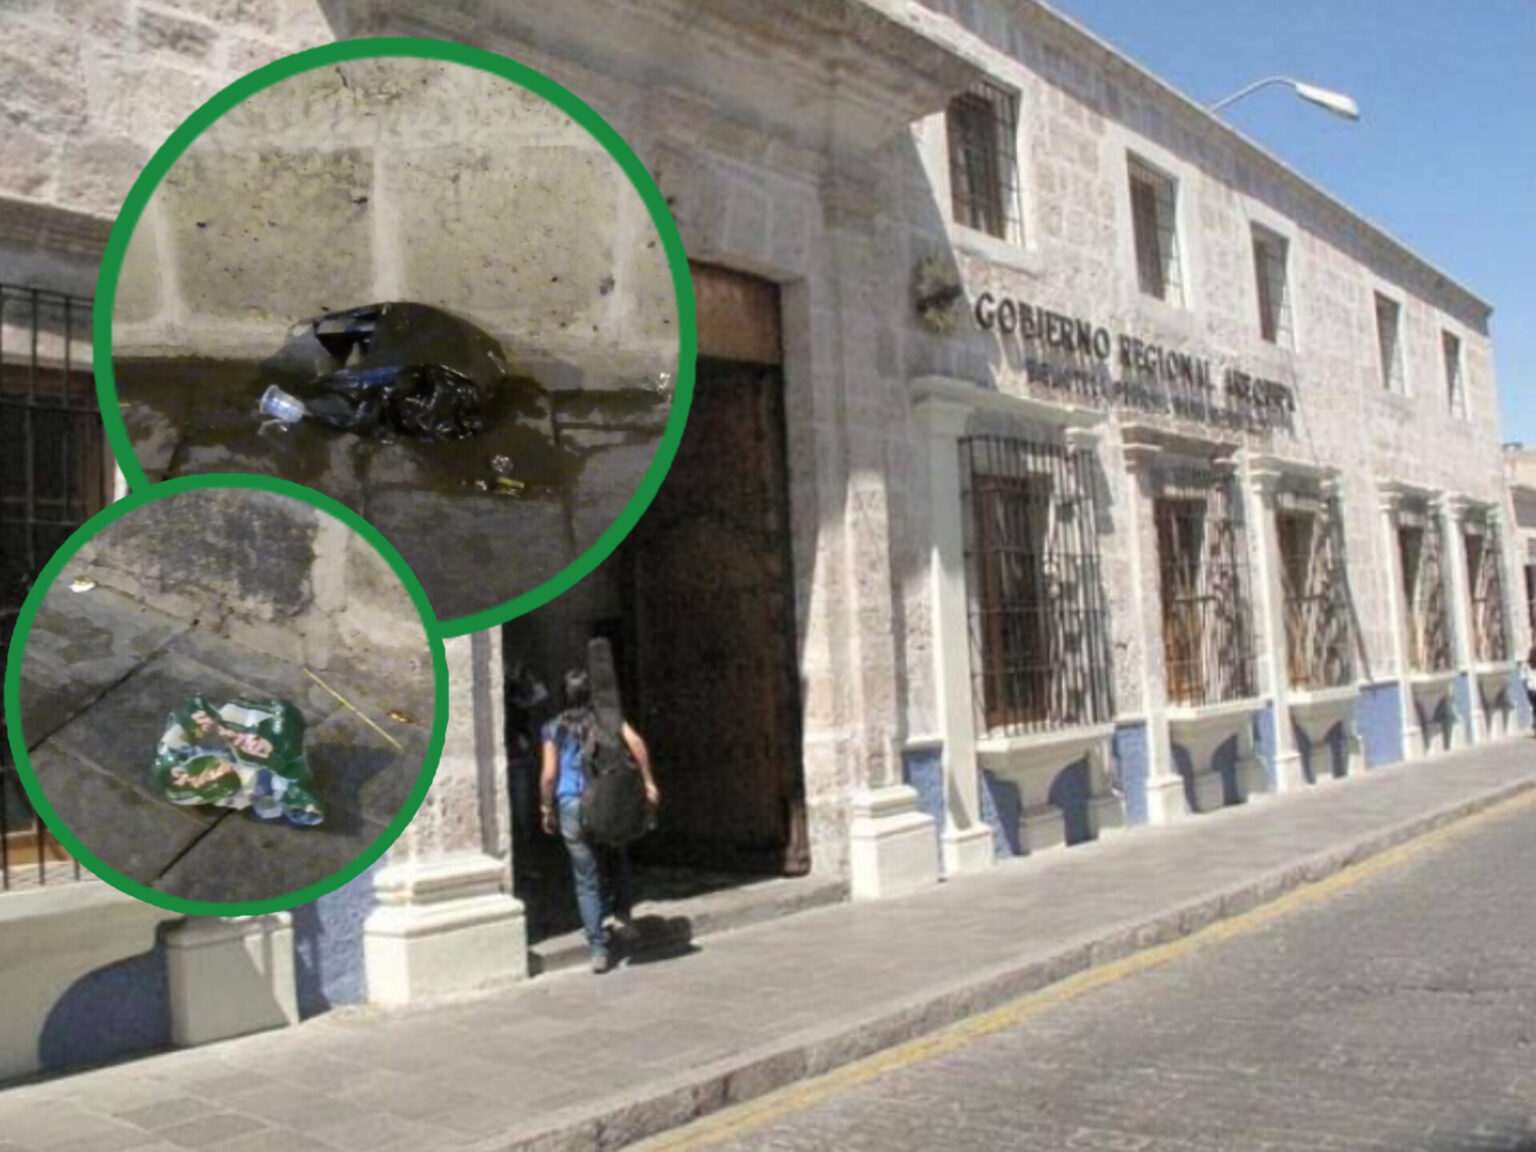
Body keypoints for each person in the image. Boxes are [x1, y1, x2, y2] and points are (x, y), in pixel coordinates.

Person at [539, 668, 660, 973]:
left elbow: (549, 774)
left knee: (585, 878)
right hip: (605, 800)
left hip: (570, 804)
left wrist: (545, 808)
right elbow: (637, 744)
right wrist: (648, 782)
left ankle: (598, 948)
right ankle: (622, 915)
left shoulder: (552, 729)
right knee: (616, 852)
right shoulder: (608, 721)